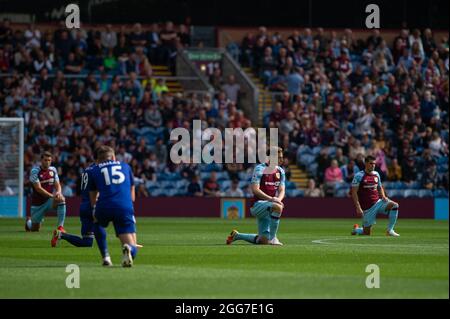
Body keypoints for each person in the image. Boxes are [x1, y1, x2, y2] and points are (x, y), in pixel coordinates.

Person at [50, 162, 113, 266]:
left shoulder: (86, 170)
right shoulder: (98, 171)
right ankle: (110, 254)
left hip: (84, 205)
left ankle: (60, 235)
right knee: (105, 224)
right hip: (93, 205)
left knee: (87, 242)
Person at [88, 146, 139, 267]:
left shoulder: (94, 170)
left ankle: (106, 256)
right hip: (124, 207)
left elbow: (93, 199)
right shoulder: (126, 167)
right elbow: (132, 195)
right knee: (133, 245)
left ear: (98, 160)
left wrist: (95, 210)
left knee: (97, 221)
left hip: (104, 206)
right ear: (114, 157)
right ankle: (129, 250)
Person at [226, 147, 285, 246]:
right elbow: (255, 189)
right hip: (257, 205)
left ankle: (237, 236)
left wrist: (278, 199)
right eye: (278, 157)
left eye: (281, 157)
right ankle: (274, 238)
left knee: (263, 241)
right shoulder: (260, 169)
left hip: (269, 205)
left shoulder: (281, 171)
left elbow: (282, 189)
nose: (281, 160)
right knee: (278, 207)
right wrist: (272, 199)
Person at [350, 155, 400, 237]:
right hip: (367, 208)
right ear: (365, 163)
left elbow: (380, 187)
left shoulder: (376, 174)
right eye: (371, 163)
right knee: (367, 233)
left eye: (374, 163)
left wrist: (383, 196)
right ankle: (356, 229)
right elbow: (354, 192)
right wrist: (358, 207)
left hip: (378, 202)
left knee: (395, 205)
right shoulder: (359, 176)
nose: (373, 165)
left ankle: (390, 230)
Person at [25, 151, 66, 233]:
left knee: (61, 199)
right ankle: (29, 222)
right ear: (41, 160)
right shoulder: (35, 171)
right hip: (38, 204)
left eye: (49, 160)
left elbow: (57, 184)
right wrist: (52, 195)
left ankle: (60, 227)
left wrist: (58, 192)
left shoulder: (53, 170)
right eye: (45, 160)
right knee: (35, 229)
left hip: (49, 201)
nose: (47, 162)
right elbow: (38, 188)